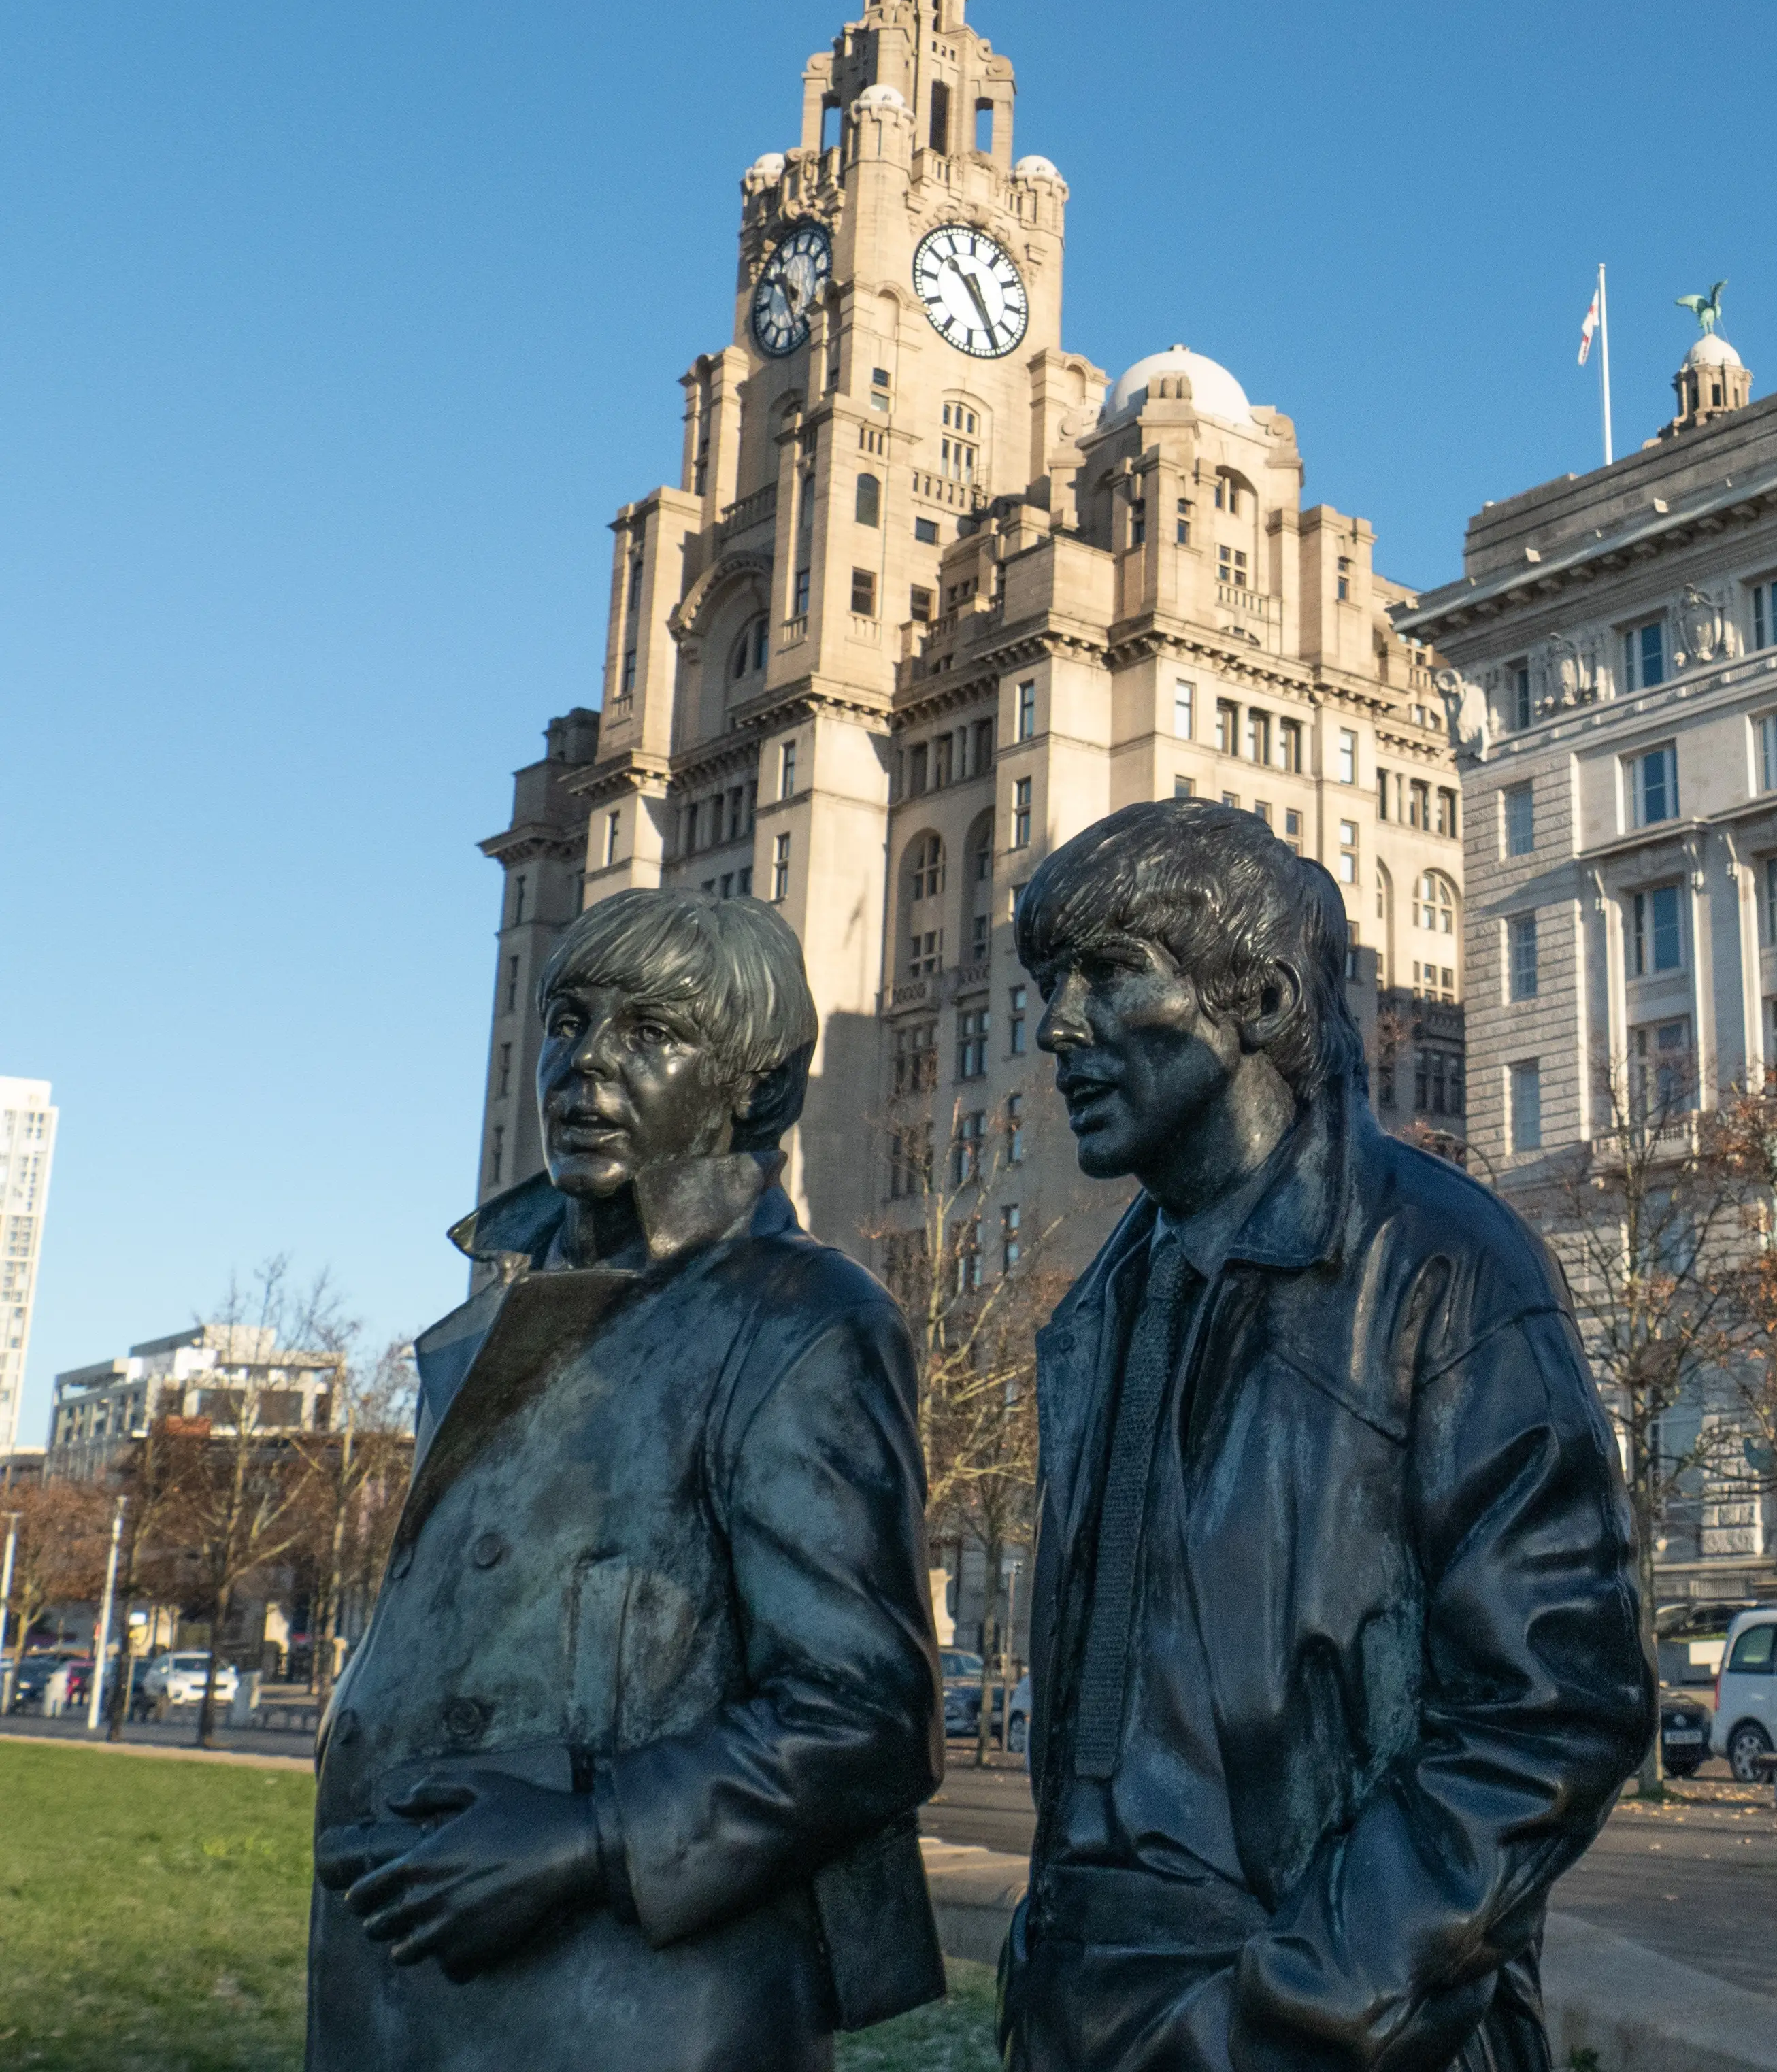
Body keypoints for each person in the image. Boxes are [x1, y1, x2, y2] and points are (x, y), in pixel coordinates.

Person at [1001, 798, 1650, 2072]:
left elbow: (1556, 1703)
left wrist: (1300, 2006)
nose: (1057, 1026)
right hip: (1087, 2011)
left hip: (1321, 2030)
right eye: (1049, 985)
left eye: (1109, 974)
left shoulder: (1447, 1265)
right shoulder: (1102, 1311)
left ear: (1254, 996)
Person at [309, 888, 944, 2070]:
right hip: (426, 1969)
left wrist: (585, 1842)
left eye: (650, 1034)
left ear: (753, 1085)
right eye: (569, 1020)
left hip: (634, 2004)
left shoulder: (804, 1319)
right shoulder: (500, 1302)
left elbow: (866, 1717)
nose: (584, 1065)